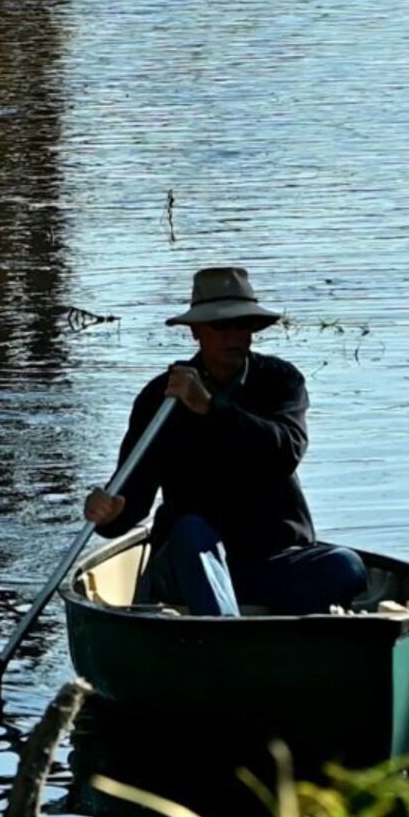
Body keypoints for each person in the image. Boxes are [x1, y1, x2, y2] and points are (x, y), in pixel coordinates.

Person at [81, 264, 371, 616]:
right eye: (221, 325)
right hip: (190, 562)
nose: (234, 336)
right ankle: (226, 638)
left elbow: (285, 452)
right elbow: (133, 495)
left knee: (345, 565)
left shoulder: (280, 382)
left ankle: (283, 634)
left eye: (243, 325)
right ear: (196, 332)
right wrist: (109, 512)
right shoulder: (160, 397)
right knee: (190, 531)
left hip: (269, 560)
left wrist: (210, 409)